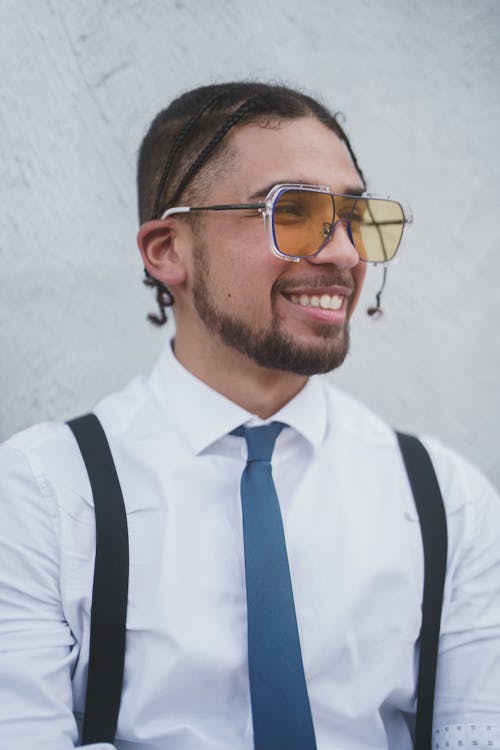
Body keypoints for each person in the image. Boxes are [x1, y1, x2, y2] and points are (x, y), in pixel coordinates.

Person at [0, 82, 499, 750]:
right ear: (167, 250)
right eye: (292, 213)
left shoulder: (445, 498)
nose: (345, 254)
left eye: (354, 218)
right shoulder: (41, 493)